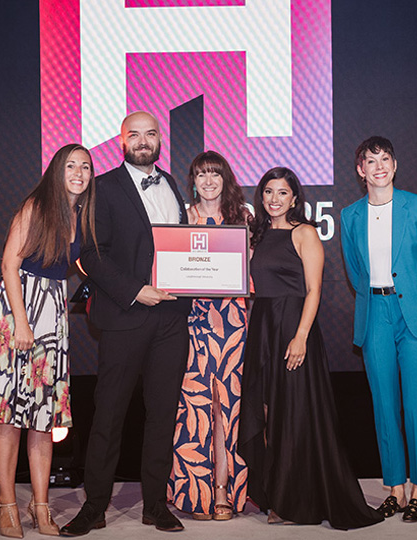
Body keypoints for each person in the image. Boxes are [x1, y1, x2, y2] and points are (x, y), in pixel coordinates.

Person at [60, 111, 191, 536]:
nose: (143, 140)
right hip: (124, 316)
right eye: (134, 134)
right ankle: (94, 507)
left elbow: (184, 250)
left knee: (162, 414)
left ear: (159, 139)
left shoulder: (171, 184)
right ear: (122, 141)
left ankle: (156, 504)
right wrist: (137, 289)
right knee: (109, 415)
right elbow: (91, 256)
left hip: (171, 318)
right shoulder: (105, 187)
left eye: (150, 133)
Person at [237, 167, 383, 530]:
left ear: (295, 198)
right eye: (268, 192)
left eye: (282, 193)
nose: (274, 199)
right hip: (263, 327)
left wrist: (300, 336)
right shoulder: (256, 233)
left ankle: (295, 501)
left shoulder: (305, 233)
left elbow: (314, 290)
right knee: (268, 414)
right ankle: (275, 494)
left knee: (296, 414)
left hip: (293, 327)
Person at [0, 143, 97, 538]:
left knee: (44, 418)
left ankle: (40, 506)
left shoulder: (81, 214)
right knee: (8, 415)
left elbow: (80, 264)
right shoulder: (37, 207)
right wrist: (22, 324)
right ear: (57, 170)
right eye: (71, 165)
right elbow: (10, 263)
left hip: (53, 313)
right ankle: (7, 504)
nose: (79, 172)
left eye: (86, 166)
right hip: (18, 309)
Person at [339, 136, 417, 522]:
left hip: (415, 316)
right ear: (360, 170)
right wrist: (379, 300)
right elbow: (354, 270)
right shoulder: (350, 216)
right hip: (375, 314)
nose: (379, 165)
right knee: (384, 405)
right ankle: (395, 490)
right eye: (371, 160)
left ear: (394, 166)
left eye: (385, 159)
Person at [167, 151, 250, 521]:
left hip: (233, 323)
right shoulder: (182, 218)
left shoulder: (243, 218)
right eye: (202, 175)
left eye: (215, 174)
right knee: (196, 409)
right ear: (193, 181)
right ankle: (192, 492)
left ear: (225, 178)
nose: (209, 181)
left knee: (228, 410)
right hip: (195, 324)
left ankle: (223, 492)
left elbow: (252, 272)